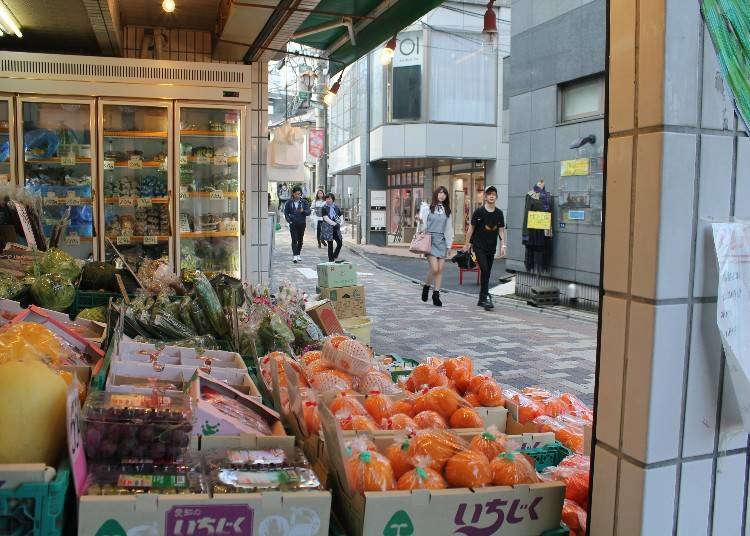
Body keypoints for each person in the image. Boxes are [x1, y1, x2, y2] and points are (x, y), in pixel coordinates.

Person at [462, 185, 506, 310]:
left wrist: (503, 244)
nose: (492, 196)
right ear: (485, 196)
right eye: (489, 194)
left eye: (494, 194)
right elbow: (471, 229)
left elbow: (501, 230)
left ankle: (482, 298)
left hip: (491, 247)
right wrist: (467, 244)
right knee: (485, 269)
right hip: (479, 246)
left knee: (487, 272)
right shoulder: (479, 212)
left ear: (496, 197)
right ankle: (486, 296)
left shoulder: (499, 213)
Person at [417, 186, 454, 307]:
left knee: (440, 270)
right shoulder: (427, 208)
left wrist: (449, 245)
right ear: (436, 194)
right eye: (440, 193)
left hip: (442, 241)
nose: (442, 195)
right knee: (434, 268)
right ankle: (426, 287)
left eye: (444, 193)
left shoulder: (447, 211)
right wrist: (421, 222)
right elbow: (422, 228)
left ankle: (436, 294)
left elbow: (449, 229)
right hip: (430, 240)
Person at [283, 185, 310, 263]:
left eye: (299, 194)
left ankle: (298, 254)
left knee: (300, 239)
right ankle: (295, 256)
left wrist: (303, 211)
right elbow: (286, 213)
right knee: (294, 239)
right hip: (293, 223)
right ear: (293, 194)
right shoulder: (289, 202)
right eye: (296, 194)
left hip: (302, 223)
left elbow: (308, 212)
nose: (298, 195)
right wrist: (289, 221)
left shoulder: (304, 202)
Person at [321, 193, 343, 262]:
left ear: (332, 199)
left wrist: (340, 223)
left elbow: (340, 215)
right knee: (330, 244)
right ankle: (331, 259)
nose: (328, 200)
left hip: (336, 228)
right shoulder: (324, 207)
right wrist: (334, 224)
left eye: (329, 198)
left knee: (340, 243)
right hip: (328, 228)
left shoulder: (336, 207)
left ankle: (335, 255)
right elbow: (326, 218)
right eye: (326, 199)